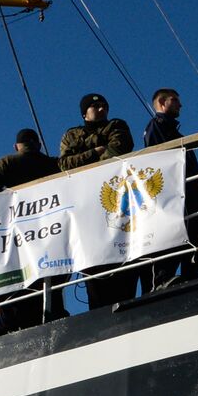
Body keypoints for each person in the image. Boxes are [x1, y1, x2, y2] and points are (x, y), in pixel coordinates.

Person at [0, 128, 68, 331]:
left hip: (18, 233)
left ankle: (18, 325)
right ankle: (55, 317)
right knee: (50, 278)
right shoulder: (52, 163)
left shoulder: (8, 162)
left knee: (19, 284)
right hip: (49, 230)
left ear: (16, 146)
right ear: (39, 144)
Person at [60, 92, 138, 308]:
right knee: (92, 259)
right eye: (96, 107)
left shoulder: (116, 125)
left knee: (122, 250)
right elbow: (65, 164)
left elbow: (119, 148)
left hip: (114, 197)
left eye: (105, 106)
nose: (102, 109)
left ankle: (125, 304)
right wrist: (95, 151)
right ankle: (98, 308)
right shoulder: (72, 134)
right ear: (85, 113)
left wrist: (88, 160)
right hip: (86, 201)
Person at [142, 88, 198, 289]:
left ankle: (191, 273)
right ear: (162, 103)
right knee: (174, 233)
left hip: (193, 189)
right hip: (177, 191)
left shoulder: (175, 132)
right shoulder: (156, 127)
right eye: (175, 100)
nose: (180, 105)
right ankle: (164, 279)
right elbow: (159, 159)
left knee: (194, 235)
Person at [0, 128, 59, 194]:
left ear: (15, 147)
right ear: (39, 145)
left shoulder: (7, 162)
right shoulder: (54, 163)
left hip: (21, 210)